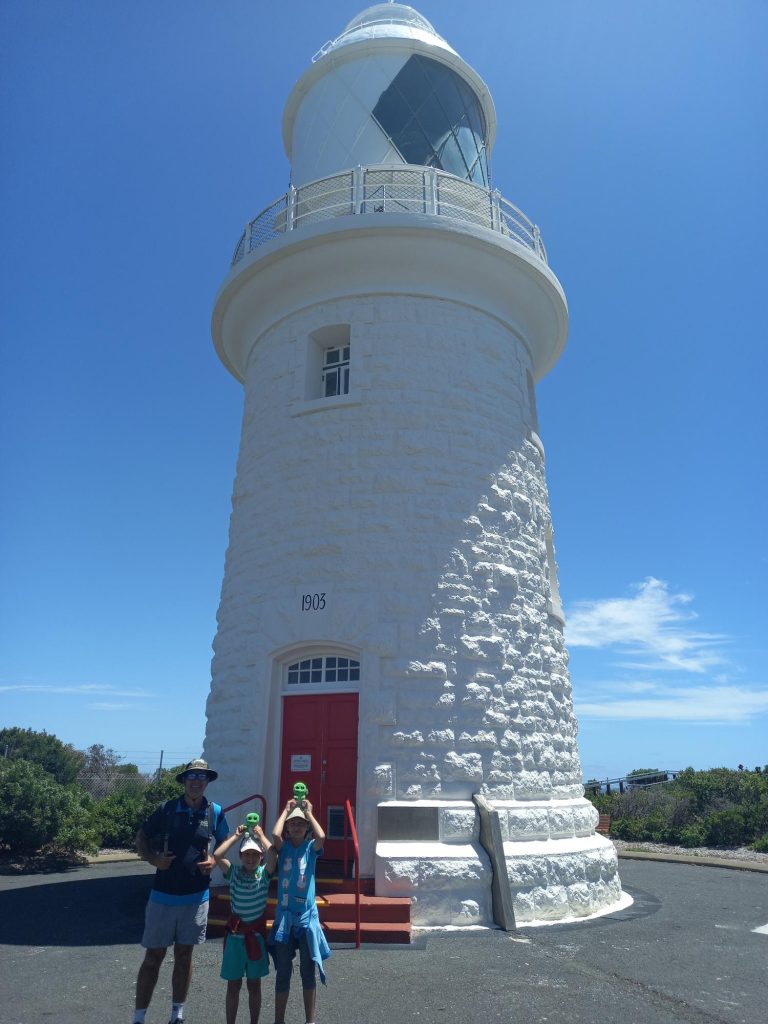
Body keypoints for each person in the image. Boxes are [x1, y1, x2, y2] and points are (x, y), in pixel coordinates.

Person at [132, 758, 229, 1024]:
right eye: (192, 776)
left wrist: (215, 861)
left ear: (207, 781)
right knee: (154, 956)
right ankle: (139, 1017)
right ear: (185, 780)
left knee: (185, 955)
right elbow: (141, 836)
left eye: (202, 777)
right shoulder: (166, 809)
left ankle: (178, 1014)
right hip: (163, 895)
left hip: (196, 896)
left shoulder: (215, 812)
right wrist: (153, 859)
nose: (197, 781)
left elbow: (224, 842)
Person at [269, 799, 331, 1024]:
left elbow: (322, 837)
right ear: (287, 826)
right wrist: (285, 810)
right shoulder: (283, 848)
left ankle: (310, 1020)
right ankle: (279, 1020)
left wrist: (309, 813)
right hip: (285, 918)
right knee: (283, 971)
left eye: (301, 824)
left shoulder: (310, 849)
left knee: (308, 970)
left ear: (306, 828)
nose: (296, 827)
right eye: (292, 824)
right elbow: (275, 837)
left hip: (306, 919)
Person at [213, 820, 277, 1024]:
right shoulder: (234, 874)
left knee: (254, 984)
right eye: (246, 854)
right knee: (233, 986)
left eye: (255, 854)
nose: (250, 858)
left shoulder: (264, 875)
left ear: (261, 856)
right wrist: (236, 837)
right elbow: (217, 855)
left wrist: (260, 834)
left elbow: (274, 853)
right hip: (235, 939)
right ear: (240, 856)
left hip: (255, 938)